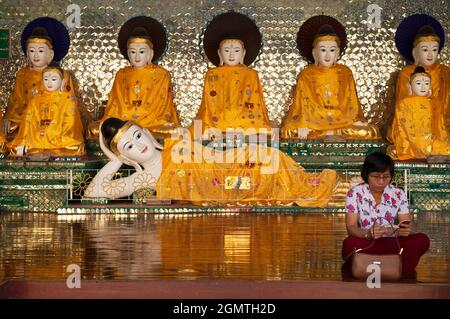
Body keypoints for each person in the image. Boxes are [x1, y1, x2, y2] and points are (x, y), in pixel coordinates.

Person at [84, 117, 337, 207]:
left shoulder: (173, 143)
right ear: (127, 156)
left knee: (274, 158)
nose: (139, 144)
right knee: (272, 179)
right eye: (129, 147)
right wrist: (113, 160)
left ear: (148, 133)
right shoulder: (145, 177)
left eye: (138, 135)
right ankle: (327, 187)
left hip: (237, 161)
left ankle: (322, 186)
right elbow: (92, 194)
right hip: (228, 185)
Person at [281, 15, 380, 140]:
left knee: (371, 132)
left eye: (332, 50)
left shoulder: (345, 72)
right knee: (289, 131)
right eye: (323, 50)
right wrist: (302, 124)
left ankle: (327, 133)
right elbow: (301, 106)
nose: (327, 56)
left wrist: (356, 120)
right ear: (314, 53)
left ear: (338, 53)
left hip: (342, 120)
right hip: (314, 121)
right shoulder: (306, 74)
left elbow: (352, 104)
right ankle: (331, 132)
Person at [88, 16, 179, 139]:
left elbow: (161, 108)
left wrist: (137, 119)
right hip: (123, 122)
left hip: (152, 123)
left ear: (150, 54)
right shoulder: (121, 74)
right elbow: (115, 105)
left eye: (142, 52)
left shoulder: (161, 74)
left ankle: (132, 131)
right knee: (94, 129)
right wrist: (127, 121)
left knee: (172, 131)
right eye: (132, 52)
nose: (137, 57)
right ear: (127, 53)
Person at [341, 152, 430, 275]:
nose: (381, 181)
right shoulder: (355, 193)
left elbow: (406, 225)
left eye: (386, 176)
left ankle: (374, 267)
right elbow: (351, 228)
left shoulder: (399, 194)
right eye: (376, 176)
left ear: (391, 176)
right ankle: (396, 269)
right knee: (349, 243)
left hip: (392, 243)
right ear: (366, 175)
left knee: (422, 239)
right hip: (367, 243)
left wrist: (404, 231)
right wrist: (367, 233)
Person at [189, 11, 273, 139]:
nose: (232, 55)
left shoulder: (251, 74)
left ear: (243, 53)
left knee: (257, 127)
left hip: (246, 117)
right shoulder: (212, 74)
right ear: (219, 54)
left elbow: (255, 103)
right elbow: (210, 103)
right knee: (205, 127)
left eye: (237, 50)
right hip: (218, 117)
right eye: (226, 50)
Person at [3, 17, 78, 140]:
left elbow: (68, 101)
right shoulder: (22, 74)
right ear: (27, 53)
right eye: (32, 51)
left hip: (52, 118)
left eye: (41, 51)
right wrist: (9, 117)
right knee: (11, 128)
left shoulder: (61, 74)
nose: (36, 55)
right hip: (25, 118)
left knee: (60, 127)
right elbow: (15, 100)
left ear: (50, 54)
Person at [389, 14, 449, 142]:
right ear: (415, 52)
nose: (430, 54)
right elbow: (403, 106)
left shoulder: (445, 72)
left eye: (434, 49)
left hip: (443, 124)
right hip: (415, 125)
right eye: (425, 49)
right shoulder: (407, 72)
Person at [7, 65, 84, 156]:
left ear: (63, 81)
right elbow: (28, 122)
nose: (49, 83)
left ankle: (40, 151)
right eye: (46, 79)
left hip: (60, 140)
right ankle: (43, 151)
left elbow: (69, 125)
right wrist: (34, 136)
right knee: (16, 149)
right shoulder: (35, 99)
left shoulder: (68, 100)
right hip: (38, 138)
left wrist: (52, 133)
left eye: (54, 79)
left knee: (75, 147)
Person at [389, 66, 449, 160]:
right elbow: (402, 127)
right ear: (410, 86)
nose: (423, 87)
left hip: (433, 140)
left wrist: (438, 140)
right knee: (395, 150)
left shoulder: (435, 103)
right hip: (412, 140)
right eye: (418, 83)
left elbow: (440, 127)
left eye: (426, 83)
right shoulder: (403, 103)